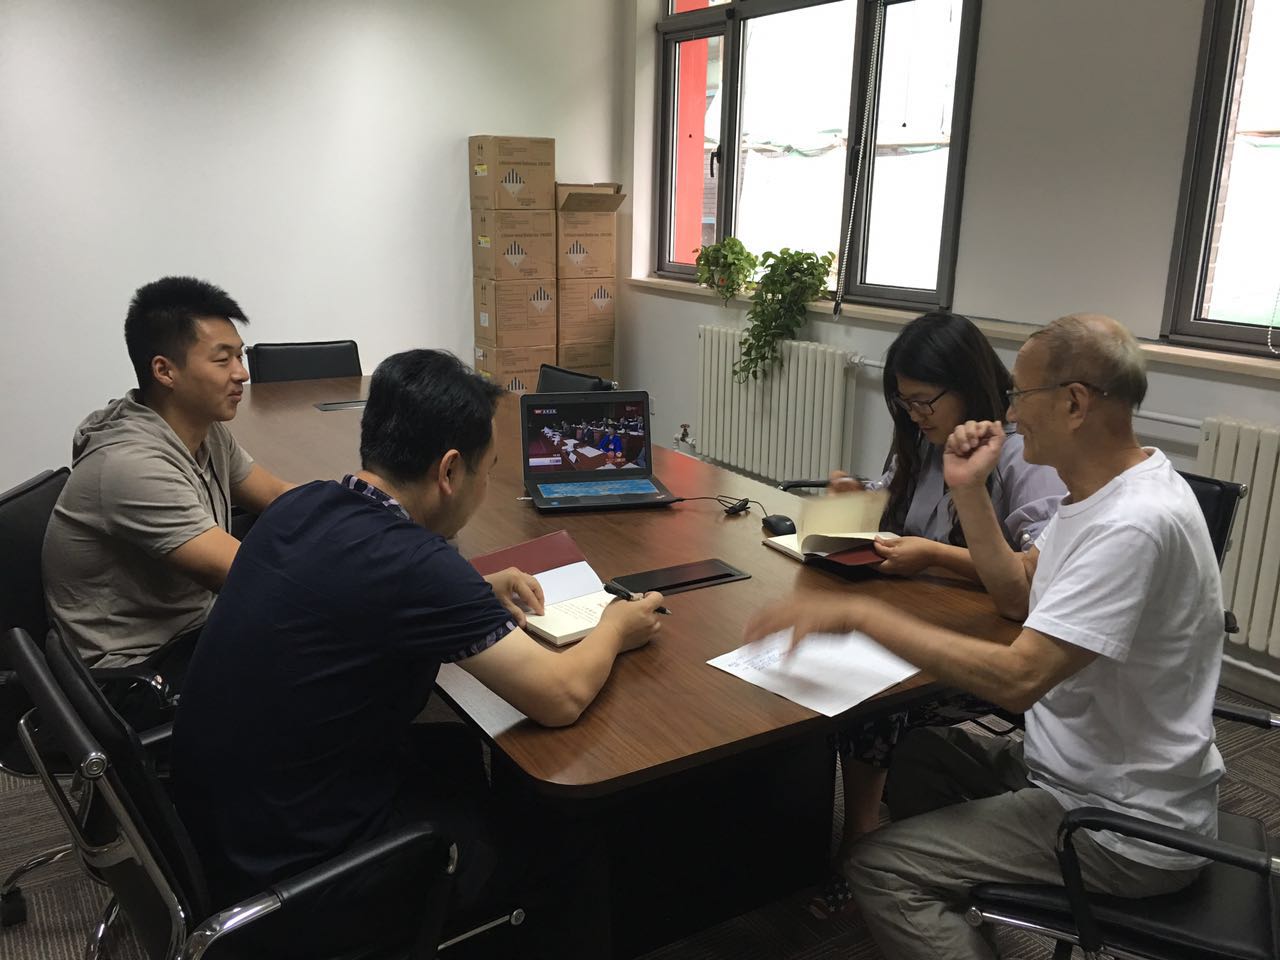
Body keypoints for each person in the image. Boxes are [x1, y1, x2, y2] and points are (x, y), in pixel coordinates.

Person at [746, 314, 1224, 960]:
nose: (1012, 414)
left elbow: (1019, 679)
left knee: (878, 867)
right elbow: (1019, 591)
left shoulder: (1132, 523)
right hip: (1078, 769)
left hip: (1121, 827)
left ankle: (930, 900)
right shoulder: (1108, 493)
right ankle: (958, 909)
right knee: (915, 752)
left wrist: (862, 617)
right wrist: (968, 489)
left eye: (1021, 395)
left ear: (1074, 403)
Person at [172, 349, 663, 959]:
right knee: (568, 834)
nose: (485, 487)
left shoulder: (304, 503)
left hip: (219, 824)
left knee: (458, 752)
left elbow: (350, 590)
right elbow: (560, 696)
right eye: (487, 472)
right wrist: (616, 625)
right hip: (300, 873)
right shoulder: (414, 563)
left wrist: (470, 592)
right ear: (450, 470)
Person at [813, 311, 1065, 916]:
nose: (914, 415)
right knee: (824, 663)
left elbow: (1036, 577)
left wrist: (933, 555)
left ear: (967, 384)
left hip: (994, 644)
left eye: (924, 400)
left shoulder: (1021, 456)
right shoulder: (926, 440)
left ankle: (862, 838)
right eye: (904, 403)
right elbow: (894, 515)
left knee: (870, 699)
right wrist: (859, 502)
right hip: (924, 615)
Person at [42, 277, 293, 669]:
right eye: (222, 360)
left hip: (196, 628)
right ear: (164, 371)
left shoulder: (206, 432)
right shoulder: (132, 466)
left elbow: (278, 496)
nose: (242, 374)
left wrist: (363, 512)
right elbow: (249, 576)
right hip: (139, 670)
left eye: (240, 357)